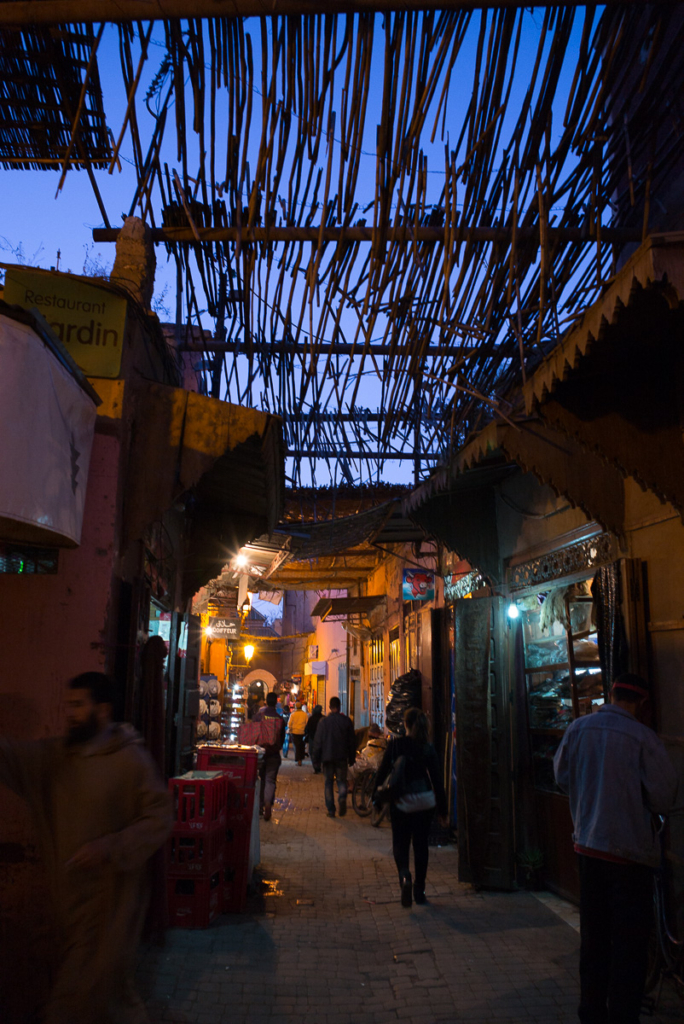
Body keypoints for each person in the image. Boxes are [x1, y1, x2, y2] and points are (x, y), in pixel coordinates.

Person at [0, 671, 172, 1024]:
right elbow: (14, 759)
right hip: (69, 903)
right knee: (113, 998)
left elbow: (159, 817)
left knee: (76, 998)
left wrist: (111, 846)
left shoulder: (130, 761)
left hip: (110, 906)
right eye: (69, 705)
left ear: (103, 710)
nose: (71, 713)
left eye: (79, 705)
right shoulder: (59, 758)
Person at [553, 673, 678, 1024]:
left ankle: (591, 1012)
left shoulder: (578, 730)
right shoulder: (643, 738)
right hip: (630, 857)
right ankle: (623, 1015)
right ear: (641, 705)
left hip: (589, 850)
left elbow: (562, 777)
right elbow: (664, 796)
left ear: (611, 694)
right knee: (629, 944)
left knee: (594, 939)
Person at [373, 708, 447, 908]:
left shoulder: (396, 745)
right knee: (421, 845)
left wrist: (376, 798)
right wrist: (443, 810)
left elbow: (382, 773)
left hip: (402, 803)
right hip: (425, 802)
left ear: (405, 724)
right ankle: (420, 891)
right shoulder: (427, 747)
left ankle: (405, 876)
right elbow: (437, 780)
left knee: (401, 844)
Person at [311, 696, 356, 817]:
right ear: (340, 706)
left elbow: (317, 742)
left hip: (327, 757)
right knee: (341, 781)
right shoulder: (346, 721)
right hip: (342, 757)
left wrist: (315, 760)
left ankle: (331, 810)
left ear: (330, 707)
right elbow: (352, 742)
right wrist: (352, 758)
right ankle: (342, 796)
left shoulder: (323, 722)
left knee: (328, 783)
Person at [254, 692, 286, 821]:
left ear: (266, 702)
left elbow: (254, 733)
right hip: (273, 755)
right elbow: (282, 739)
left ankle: (260, 806)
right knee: (270, 780)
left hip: (260, 754)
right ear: (276, 703)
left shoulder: (259, 716)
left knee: (260, 779)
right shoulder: (279, 719)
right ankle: (268, 802)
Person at [305, 704, 324, 773]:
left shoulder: (311, 718)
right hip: (322, 739)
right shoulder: (324, 718)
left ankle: (316, 767)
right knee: (321, 752)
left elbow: (307, 728)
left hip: (312, 738)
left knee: (313, 752)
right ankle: (321, 765)